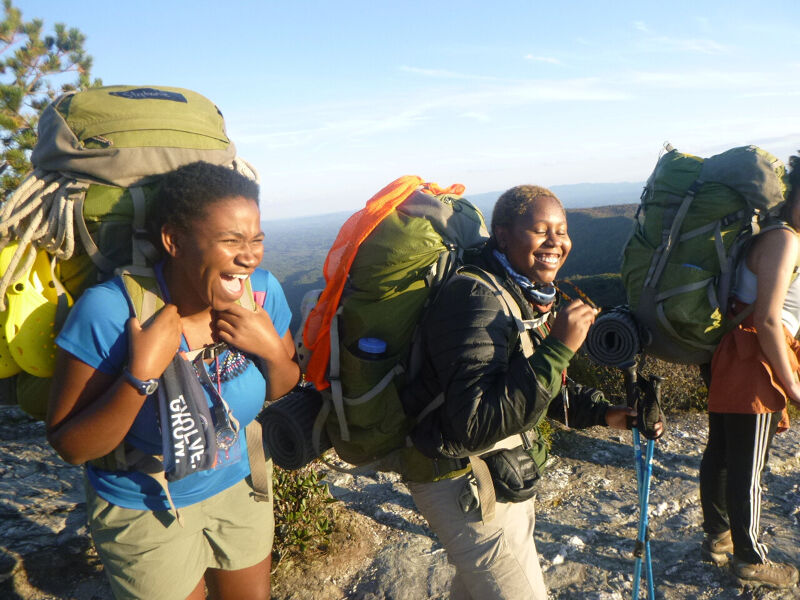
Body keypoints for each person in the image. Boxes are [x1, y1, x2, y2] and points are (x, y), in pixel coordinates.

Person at [46, 161, 300, 600]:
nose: (249, 256)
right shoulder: (110, 312)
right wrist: (140, 376)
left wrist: (273, 351)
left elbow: (280, 386)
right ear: (174, 241)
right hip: (145, 504)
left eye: (256, 239)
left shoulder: (261, 293)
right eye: (230, 240)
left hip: (240, 484)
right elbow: (72, 446)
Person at [404, 185, 653, 600]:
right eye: (541, 230)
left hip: (499, 471)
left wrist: (602, 412)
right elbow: (475, 423)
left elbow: (529, 385)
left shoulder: (519, 293)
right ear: (502, 235)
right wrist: (559, 348)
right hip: (462, 482)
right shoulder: (475, 300)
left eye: (562, 229)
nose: (556, 241)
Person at [699, 153, 800, 589]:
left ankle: (717, 537)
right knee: (749, 468)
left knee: (721, 453)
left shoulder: (773, 232)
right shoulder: (785, 240)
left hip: (731, 356)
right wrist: (792, 384)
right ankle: (750, 559)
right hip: (754, 362)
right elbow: (768, 319)